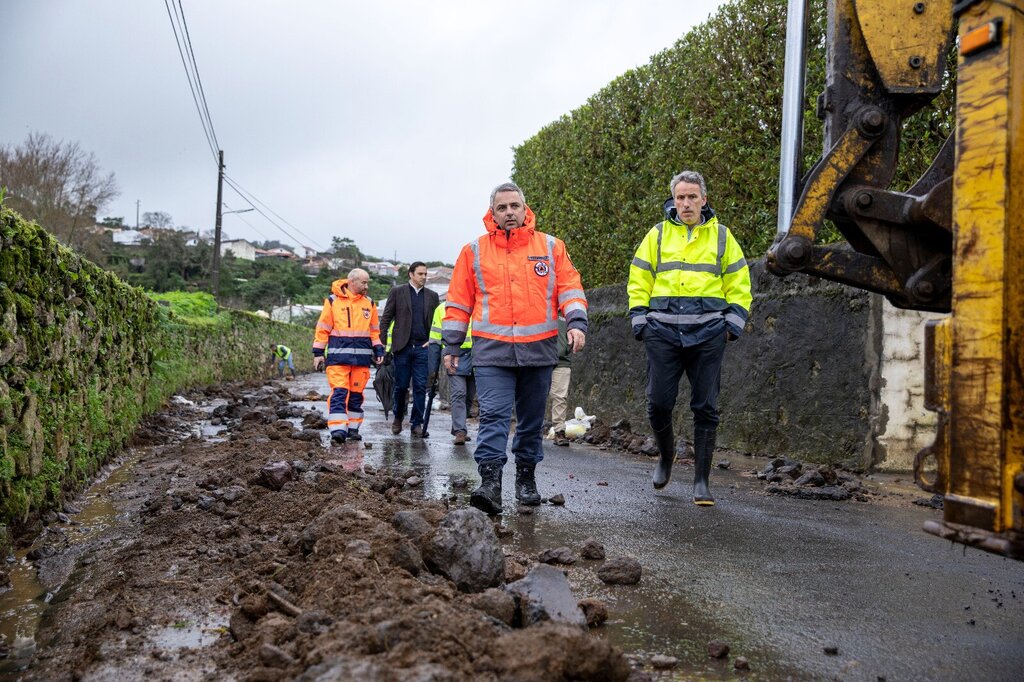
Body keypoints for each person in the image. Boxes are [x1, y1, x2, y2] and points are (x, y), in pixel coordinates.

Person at [443, 181, 587, 514]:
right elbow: (458, 303)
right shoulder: (474, 251)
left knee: (532, 420)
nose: (509, 212)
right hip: (492, 353)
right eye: (502, 207)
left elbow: (570, 288)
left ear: (525, 209)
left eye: (515, 206)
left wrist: (577, 323)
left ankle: (526, 480)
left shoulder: (551, 248)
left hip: (538, 351)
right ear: (491, 213)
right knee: (493, 415)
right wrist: (451, 345)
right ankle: (491, 484)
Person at [628, 170, 751, 505]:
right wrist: (641, 321)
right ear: (673, 200)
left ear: (703, 200)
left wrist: (731, 326)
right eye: (680, 197)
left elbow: (740, 285)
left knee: (706, 407)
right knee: (658, 404)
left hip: (709, 334)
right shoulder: (656, 236)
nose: (686, 203)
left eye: (692, 197)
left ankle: (701, 482)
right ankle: (666, 457)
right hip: (662, 333)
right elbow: (638, 278)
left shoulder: (723, 237)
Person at [312, 268, 385, 444]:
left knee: (356, 395)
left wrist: (379, 350)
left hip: (361, 360)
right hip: (338, 359)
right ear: (352, 282)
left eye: (367, 282)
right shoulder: (333, 302)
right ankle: (338, 429)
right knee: (339, 393)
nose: (366, 286)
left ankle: (353, 429)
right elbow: (323, 328)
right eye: (364, 282)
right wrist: (318, 353)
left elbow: (374, 331)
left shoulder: (369, 303)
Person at [379, 262, 440, 437]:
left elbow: (436, 322)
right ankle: (398, 416)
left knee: (421, 387)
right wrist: (382, 344)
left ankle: (416, 424)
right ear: (411, 274)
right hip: (402, 348)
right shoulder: (398, 292)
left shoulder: (432, 296)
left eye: (425, 274)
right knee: (401, 386)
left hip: (423, 347)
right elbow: (387, 318)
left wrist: (433, 341)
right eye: (420, 274)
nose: (424, 277)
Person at [428, 302, 474, 445]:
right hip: (455, 354)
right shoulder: (442, 309)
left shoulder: (478, 304)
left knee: (469, 395)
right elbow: (435, 338)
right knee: (459, 393)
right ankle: (460, 431)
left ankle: (459, 425)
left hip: (477, 354)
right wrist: (433, 367)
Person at [548, 318, 573, 446]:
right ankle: (530, 430)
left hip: (562, 360)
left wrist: (568, 348)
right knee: (533, 395)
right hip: (539, 358)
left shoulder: (567, 310)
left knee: (560, 396)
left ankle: (559, 431)